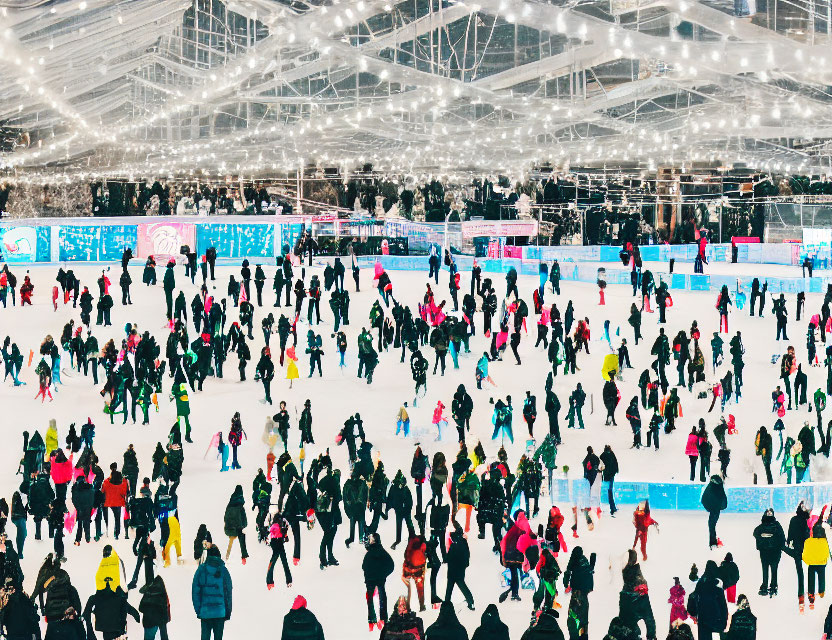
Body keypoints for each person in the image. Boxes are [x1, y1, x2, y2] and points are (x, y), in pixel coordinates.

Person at [191, 544, 232, 640]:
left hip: (205, 613)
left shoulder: (201, 570)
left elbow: (195, 592)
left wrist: (199, 610)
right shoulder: (224, 571)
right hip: (220, 613)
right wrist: (227, 612)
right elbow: (228, 593)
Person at [688, 560, 728, 640]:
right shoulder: (717, 586)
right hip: (716, 621)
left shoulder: (700, 585)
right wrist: (724, 623)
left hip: (703, 622)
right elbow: (723, 606)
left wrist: (694, 612)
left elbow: (693, 600)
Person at [753, 507, 785, 597]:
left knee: (767, 568)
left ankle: (768, 587)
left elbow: (756, 533)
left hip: (767, 551)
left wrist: (764, 537)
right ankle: (771, 587)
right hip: (772, 551)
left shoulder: (765, 525)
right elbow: (782, 538)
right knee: (771, 569)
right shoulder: (776, 525)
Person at [701, 475, 727, 549]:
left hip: (714, 509)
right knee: (712, 525)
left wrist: (709, 508)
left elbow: (704, 500)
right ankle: (713, 542)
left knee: (711, 525)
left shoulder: (711, 487)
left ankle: (713, 542)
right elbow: (723, 499)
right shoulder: (718, 487)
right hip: (715, 509)